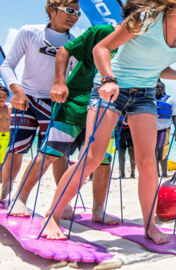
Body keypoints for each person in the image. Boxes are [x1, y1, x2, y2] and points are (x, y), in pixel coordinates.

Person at [40, 0, 176, 244]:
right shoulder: (146, 19)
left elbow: (156, 66)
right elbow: (101, 48)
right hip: (111, 87)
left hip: (144, 94)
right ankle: (53, 216)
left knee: (148, 162)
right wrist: (108, 79)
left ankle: (149, 226)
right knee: (92, 157)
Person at [7, 24, 120, 225]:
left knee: (103, 160)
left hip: (107, 106)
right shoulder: (102, 31)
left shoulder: (141, 41)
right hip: (76, 102)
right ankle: (20, 198)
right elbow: (64, 50)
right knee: (50, 152)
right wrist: (59, 82)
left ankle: (98, 210)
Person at [0, 0, 79, 202]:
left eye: (78, 13)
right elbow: (7, 66)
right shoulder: (29, 32)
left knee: (58, 152)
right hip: (26, 99)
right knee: (16, 148)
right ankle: (5, 195)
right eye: (70, 11)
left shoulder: (77, 40)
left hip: (56, 102)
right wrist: (16, 91)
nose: (75, 16)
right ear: (52, 11)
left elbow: (76, 75)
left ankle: (62, 202)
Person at [155, 79, 176, 177]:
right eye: (155, 87)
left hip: (164, 128)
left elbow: (174, 115)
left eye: (159, 87)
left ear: (163, 89)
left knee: (162, 149)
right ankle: (156, 173)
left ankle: (164, 172)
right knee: (153, 150)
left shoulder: (170, 99)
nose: (157, 89)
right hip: (152, 129)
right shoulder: (150, 100)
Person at [0, 86, 11, 184]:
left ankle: (2, 177)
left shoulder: (9, 108)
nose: (1, 98)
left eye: (4, 96)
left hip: (7, 136)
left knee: (4, 157)